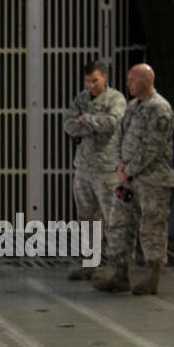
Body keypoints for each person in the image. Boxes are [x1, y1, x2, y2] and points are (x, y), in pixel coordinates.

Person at [92, 63, 174, 295]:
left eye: (132, 79)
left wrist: (130, 169)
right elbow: (121, 137)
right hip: (127, 179)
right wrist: (120, 165)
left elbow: (153, 147)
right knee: (119, 223)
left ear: (147, 80)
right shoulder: (132, 107)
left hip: (152, 181)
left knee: (152, 227)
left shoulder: (160, 108)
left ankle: (152, 277)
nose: (128, 83)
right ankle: (120, 274)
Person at [64, 60, 125, 280]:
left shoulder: (115, 99)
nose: (91, 85)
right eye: (88, 80)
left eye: (95, 80)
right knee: (87, 218)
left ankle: (117, 266)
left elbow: (113, 123)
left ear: (105, 78)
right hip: (83, 167)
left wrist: (86, 120)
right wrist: (92, 123)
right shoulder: (81, 98)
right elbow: (68, 124)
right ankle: (90, 264)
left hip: (107, 168)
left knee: (112, 218)